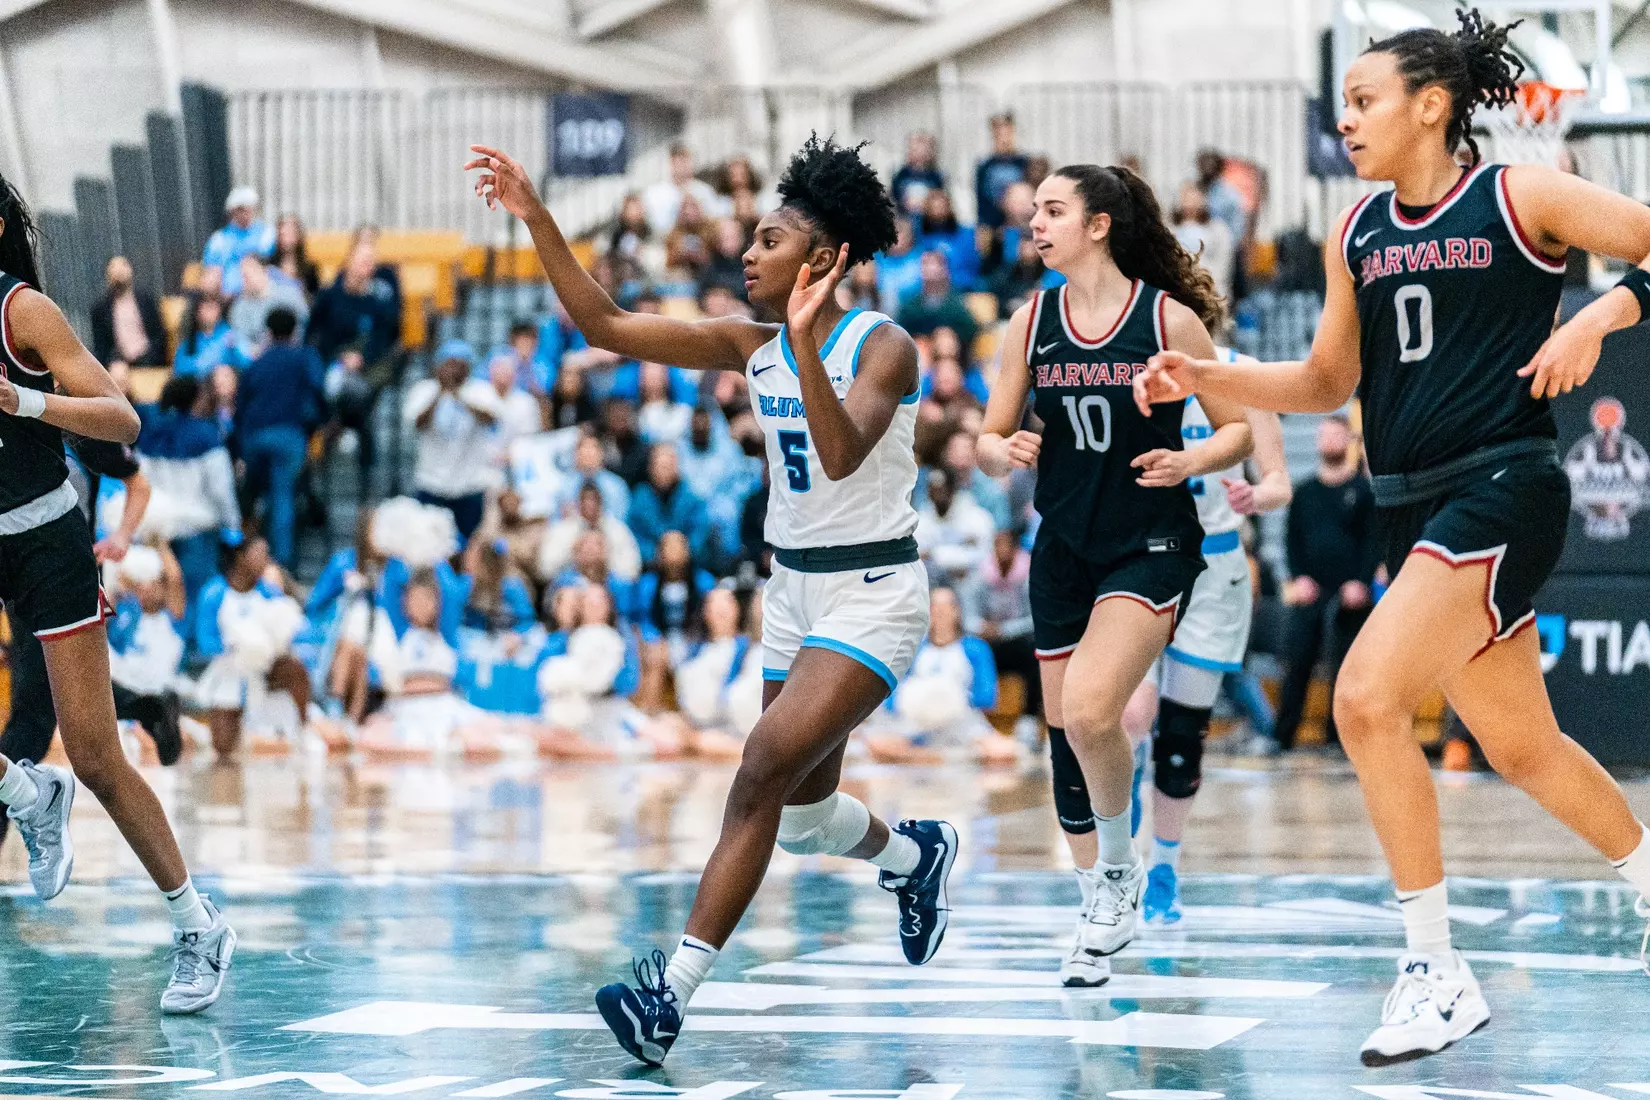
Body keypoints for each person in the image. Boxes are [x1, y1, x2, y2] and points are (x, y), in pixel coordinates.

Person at [1132, 9, 1650, 1062]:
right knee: (1523, 746)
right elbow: (1327, 381)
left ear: (1432, 103)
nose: (1348, 119)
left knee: (1366, 697)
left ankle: (1434, 967)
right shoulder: (1357, 230)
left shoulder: (1521, 195)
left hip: (1504, 481)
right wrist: (1207, 375)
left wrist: (1599, 315)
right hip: (1408, 499)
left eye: (1365, 100)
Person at [468, 132, 959, 1066]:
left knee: (761, 766)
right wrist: (536, 217)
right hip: (794, 591)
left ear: (820, 261)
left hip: (874, 591)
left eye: (769, 241)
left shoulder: (884, 347)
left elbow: (845, 452)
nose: (747, 252)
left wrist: (809, 342)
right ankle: (912, 857)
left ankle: (670, 995)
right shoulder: (751, 346)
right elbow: (606, 326)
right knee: (808, 818)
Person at [976, 163, 1249, 989]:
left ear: (1098, 225)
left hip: (1150, 540)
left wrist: (1191, 456)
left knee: (1095, 709)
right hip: (1063, 544)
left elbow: (1236, 429)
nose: (1036, 223)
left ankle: (1122, 876)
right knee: (1066, 726)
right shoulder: (1030, 323)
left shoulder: (1168, 320)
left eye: (1053, 211)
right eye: (1034, 212)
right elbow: (988, 437)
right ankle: (1098, 897)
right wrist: (1003, 451)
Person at [0, 174, 234, 1011]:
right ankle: (27, 790)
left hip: (46, 541)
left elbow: (124, 421)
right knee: (48, 756)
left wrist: (25, 400)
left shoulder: (22, 310)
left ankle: (199, 924)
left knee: (96, 754)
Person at [1121, 349, 1293, 926]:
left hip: (1215, 567)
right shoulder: (1129, 363)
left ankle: (1164, 868)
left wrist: (1257, 497)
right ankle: (1126, 811)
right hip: (1139, 558)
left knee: (1182, 732)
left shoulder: (1243, 370)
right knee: (1129, 715)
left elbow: (1278, 484)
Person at [1274, 415, 1378, 751]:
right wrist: (1297, 577)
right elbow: (1291, 540)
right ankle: (1283, 736)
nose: (1329, 441)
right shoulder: (1304, 492)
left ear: (1348, 441)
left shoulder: (1363, 492)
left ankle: (1340, 738)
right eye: (1324, 435)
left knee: (1346, 667)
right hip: (1311, 591)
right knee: (1297, 661)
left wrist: (1360, 582)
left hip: (1351, 594)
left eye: (1336, 435)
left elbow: (1372, 542)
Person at [236, 308, 325, 571]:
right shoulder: (304, 358)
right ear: (295, 330)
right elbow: (319, 390)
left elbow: (240, 408)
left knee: (255, 496)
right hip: (288, 437)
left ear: (269, 332)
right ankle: (281, 565)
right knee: (282, 496)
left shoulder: (256, 363)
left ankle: (245, 557)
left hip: (254, 439)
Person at [403, 340, 502, 543]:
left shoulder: (480, 390)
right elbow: (418, 423)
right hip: (432, 485)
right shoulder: (424, 390)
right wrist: (440, 393)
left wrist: (458, 395)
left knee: (469, 547)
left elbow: (491, 418)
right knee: (427, 545)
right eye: (449, 363)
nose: (453, 369)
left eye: (459, 364)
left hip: (469, 487)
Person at [91, 256, 168, 369]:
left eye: (123, 266)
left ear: (131, 270)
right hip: (119, 365)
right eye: (114, 269)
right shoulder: (100, 309)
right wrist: (114, 362)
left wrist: (149, 356)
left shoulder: (146, 300)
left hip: (149, 360)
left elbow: (159, 335)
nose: (118, 272)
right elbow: (101, 347)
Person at [896, 250, 979, 350]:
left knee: (945, 341)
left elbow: (970, 330)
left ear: (945, 269)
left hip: (951, 353)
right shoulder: (911, 305)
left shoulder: (956, 303)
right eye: (925, 264)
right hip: (919, 351)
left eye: (934, 263)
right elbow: (900, 332)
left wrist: (947, 334)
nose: (930, 268)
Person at [202, 186, 276, 298]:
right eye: (241, 209)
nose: (245, 213)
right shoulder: (219, 239)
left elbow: (268, 265)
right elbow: (212, 269)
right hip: (227, 296)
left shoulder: (267, 233)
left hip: (261, 294)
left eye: (249, 208)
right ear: (232, 212)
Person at [644, 143, 721, 236]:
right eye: (678, 161)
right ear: (671, 163)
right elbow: (653, 226)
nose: (682, 166)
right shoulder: (655, 194)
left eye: (685, 160)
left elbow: (714, 220)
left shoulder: (705, 191)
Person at [975, 113, 1030, 230]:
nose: (1004, 139)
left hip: (1022, 224)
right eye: (999, 134)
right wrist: (984, 225)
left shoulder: (1025, 162)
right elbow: (981, 199)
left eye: (1007, 134)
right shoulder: (985, 166)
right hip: (993, 224)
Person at [892, 131, 945, 216]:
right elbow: (895, 198)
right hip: (905, 220)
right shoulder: (900, 175)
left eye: (924, 148)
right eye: (915, 148)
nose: (920, 152)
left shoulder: (936, 176)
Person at [273, 213, 321, 298]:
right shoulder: (269, 265)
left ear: (298, 236)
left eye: (289, 234)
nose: (285, 239)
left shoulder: (309, 268)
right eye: (282, 235)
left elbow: (315, 296)